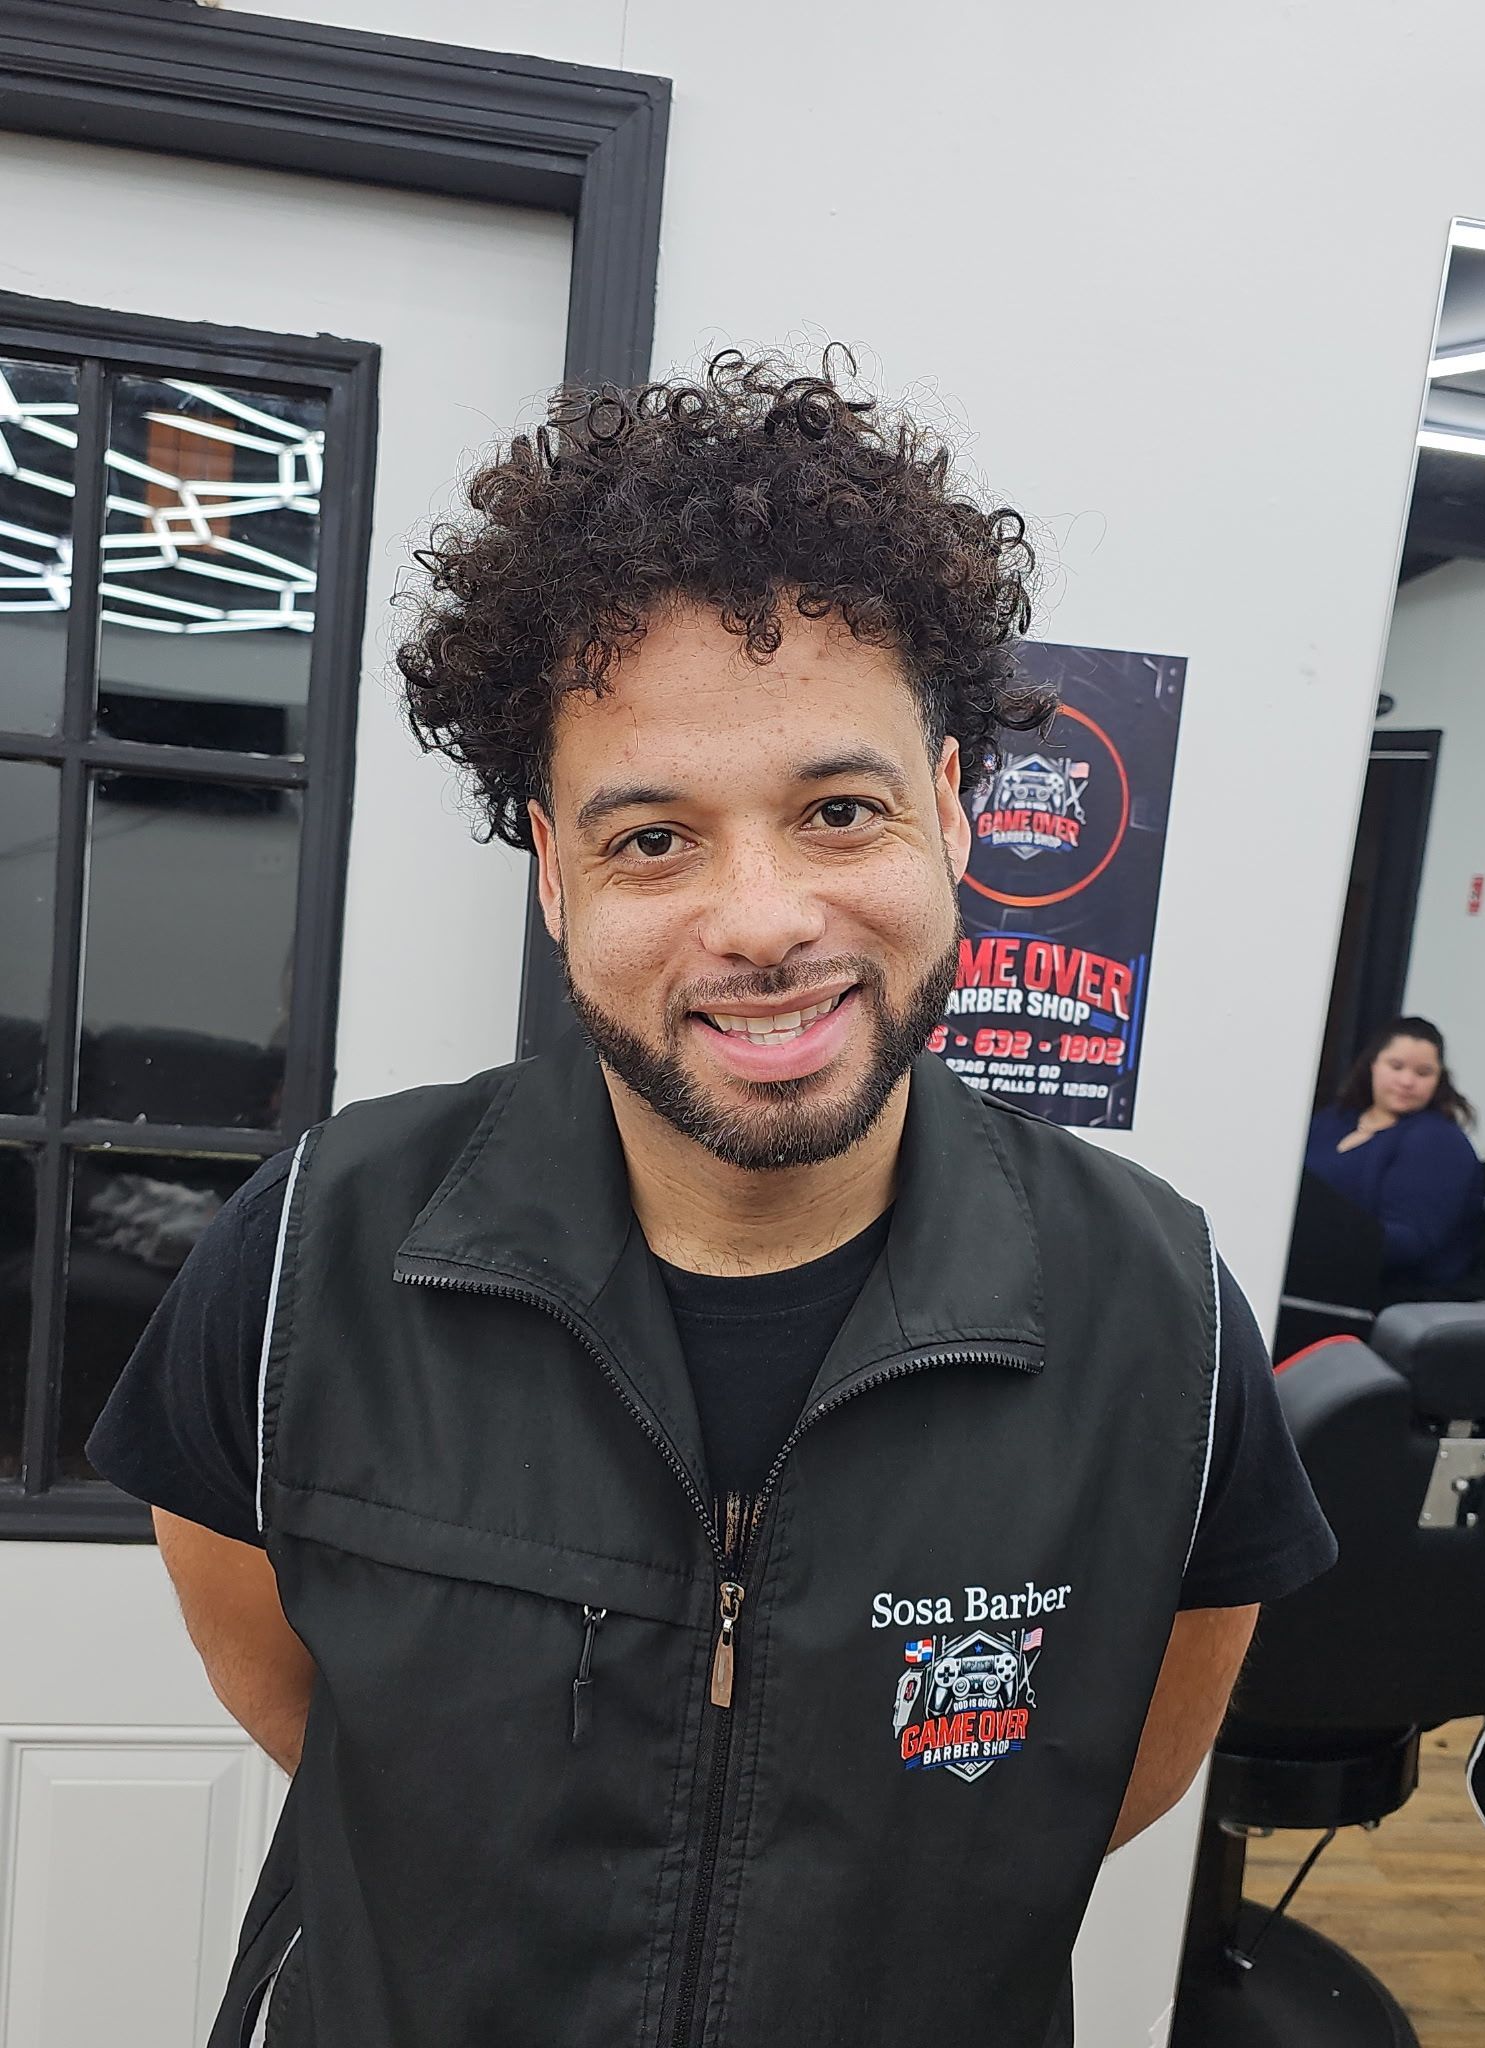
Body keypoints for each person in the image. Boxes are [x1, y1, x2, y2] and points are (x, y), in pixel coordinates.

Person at [88, 351, 1336, 2048]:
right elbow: (303, 1703)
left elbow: (1093, 1786)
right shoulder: (312, 1257)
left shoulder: (1161, 1321)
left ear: (957, 811)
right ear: (549, 863)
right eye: (654, 838)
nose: (761, 919)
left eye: (838, 809)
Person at [1306, 1016, 1484, 1291]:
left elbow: (1410, 1243)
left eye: (1423, 1073)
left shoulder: (1439, 1141)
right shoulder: (1333, 1120)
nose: (1407, 1081)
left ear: (1439, 1079)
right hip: (1307, 1275)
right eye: (1396, 1066)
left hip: (1378, 1295)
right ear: (1373, 1065)